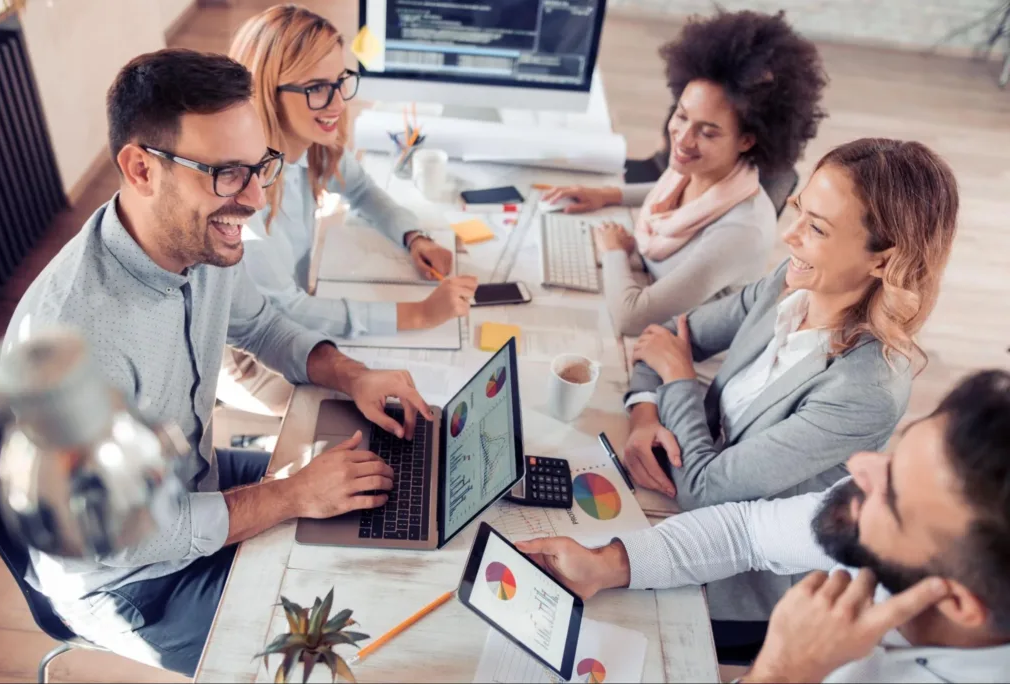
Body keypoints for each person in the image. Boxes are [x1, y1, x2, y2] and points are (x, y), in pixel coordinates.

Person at [3, 49, 432, 676]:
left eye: (259, 166)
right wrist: (289, 495)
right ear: (141, 169)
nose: (256, 197)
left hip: (190, 475)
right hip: (129, 579)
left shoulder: (198, 239)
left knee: (380, 503)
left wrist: (353, 376)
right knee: (339, 656)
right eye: (227, 174)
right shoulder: (75, 342)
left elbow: (261, 324)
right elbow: (141, 535)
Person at [623, 137, 959, 630]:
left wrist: (677, 380)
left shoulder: (865, 388)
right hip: (668, 491)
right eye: (800, 211)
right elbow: (667, 336)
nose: (789, 236)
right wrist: (644, 412)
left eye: (816, 228)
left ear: (883, 261)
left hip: (735, 582)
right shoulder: (793, 279)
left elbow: (707, 491)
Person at [519, 370, 1010, 683]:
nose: (861, 465)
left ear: (957, 603)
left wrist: (783, 672)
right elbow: (746, 530)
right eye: (895, 454)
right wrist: (608, 563)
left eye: (894, 492)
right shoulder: (901, 534)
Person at [221, 4, 478, 416]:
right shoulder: (244, 205)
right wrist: (419, 314)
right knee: (377, 404)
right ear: (268, 92)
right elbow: (290, 312)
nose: (338, 102)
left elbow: (361, 189)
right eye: (317, 88)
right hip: (253, 358)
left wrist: (414, 237)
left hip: (299, 309)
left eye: (340, 81)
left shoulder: (311, 143)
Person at [544, 10, 828, 336]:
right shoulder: (698, 171)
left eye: (707, 132)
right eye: (681, 116)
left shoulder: (740, 231)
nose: (682, 139)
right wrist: (608, 194)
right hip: (648, 291)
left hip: (675, 349)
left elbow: (631, 319)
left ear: (747, 140)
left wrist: (613, 251)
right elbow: (680, 194)